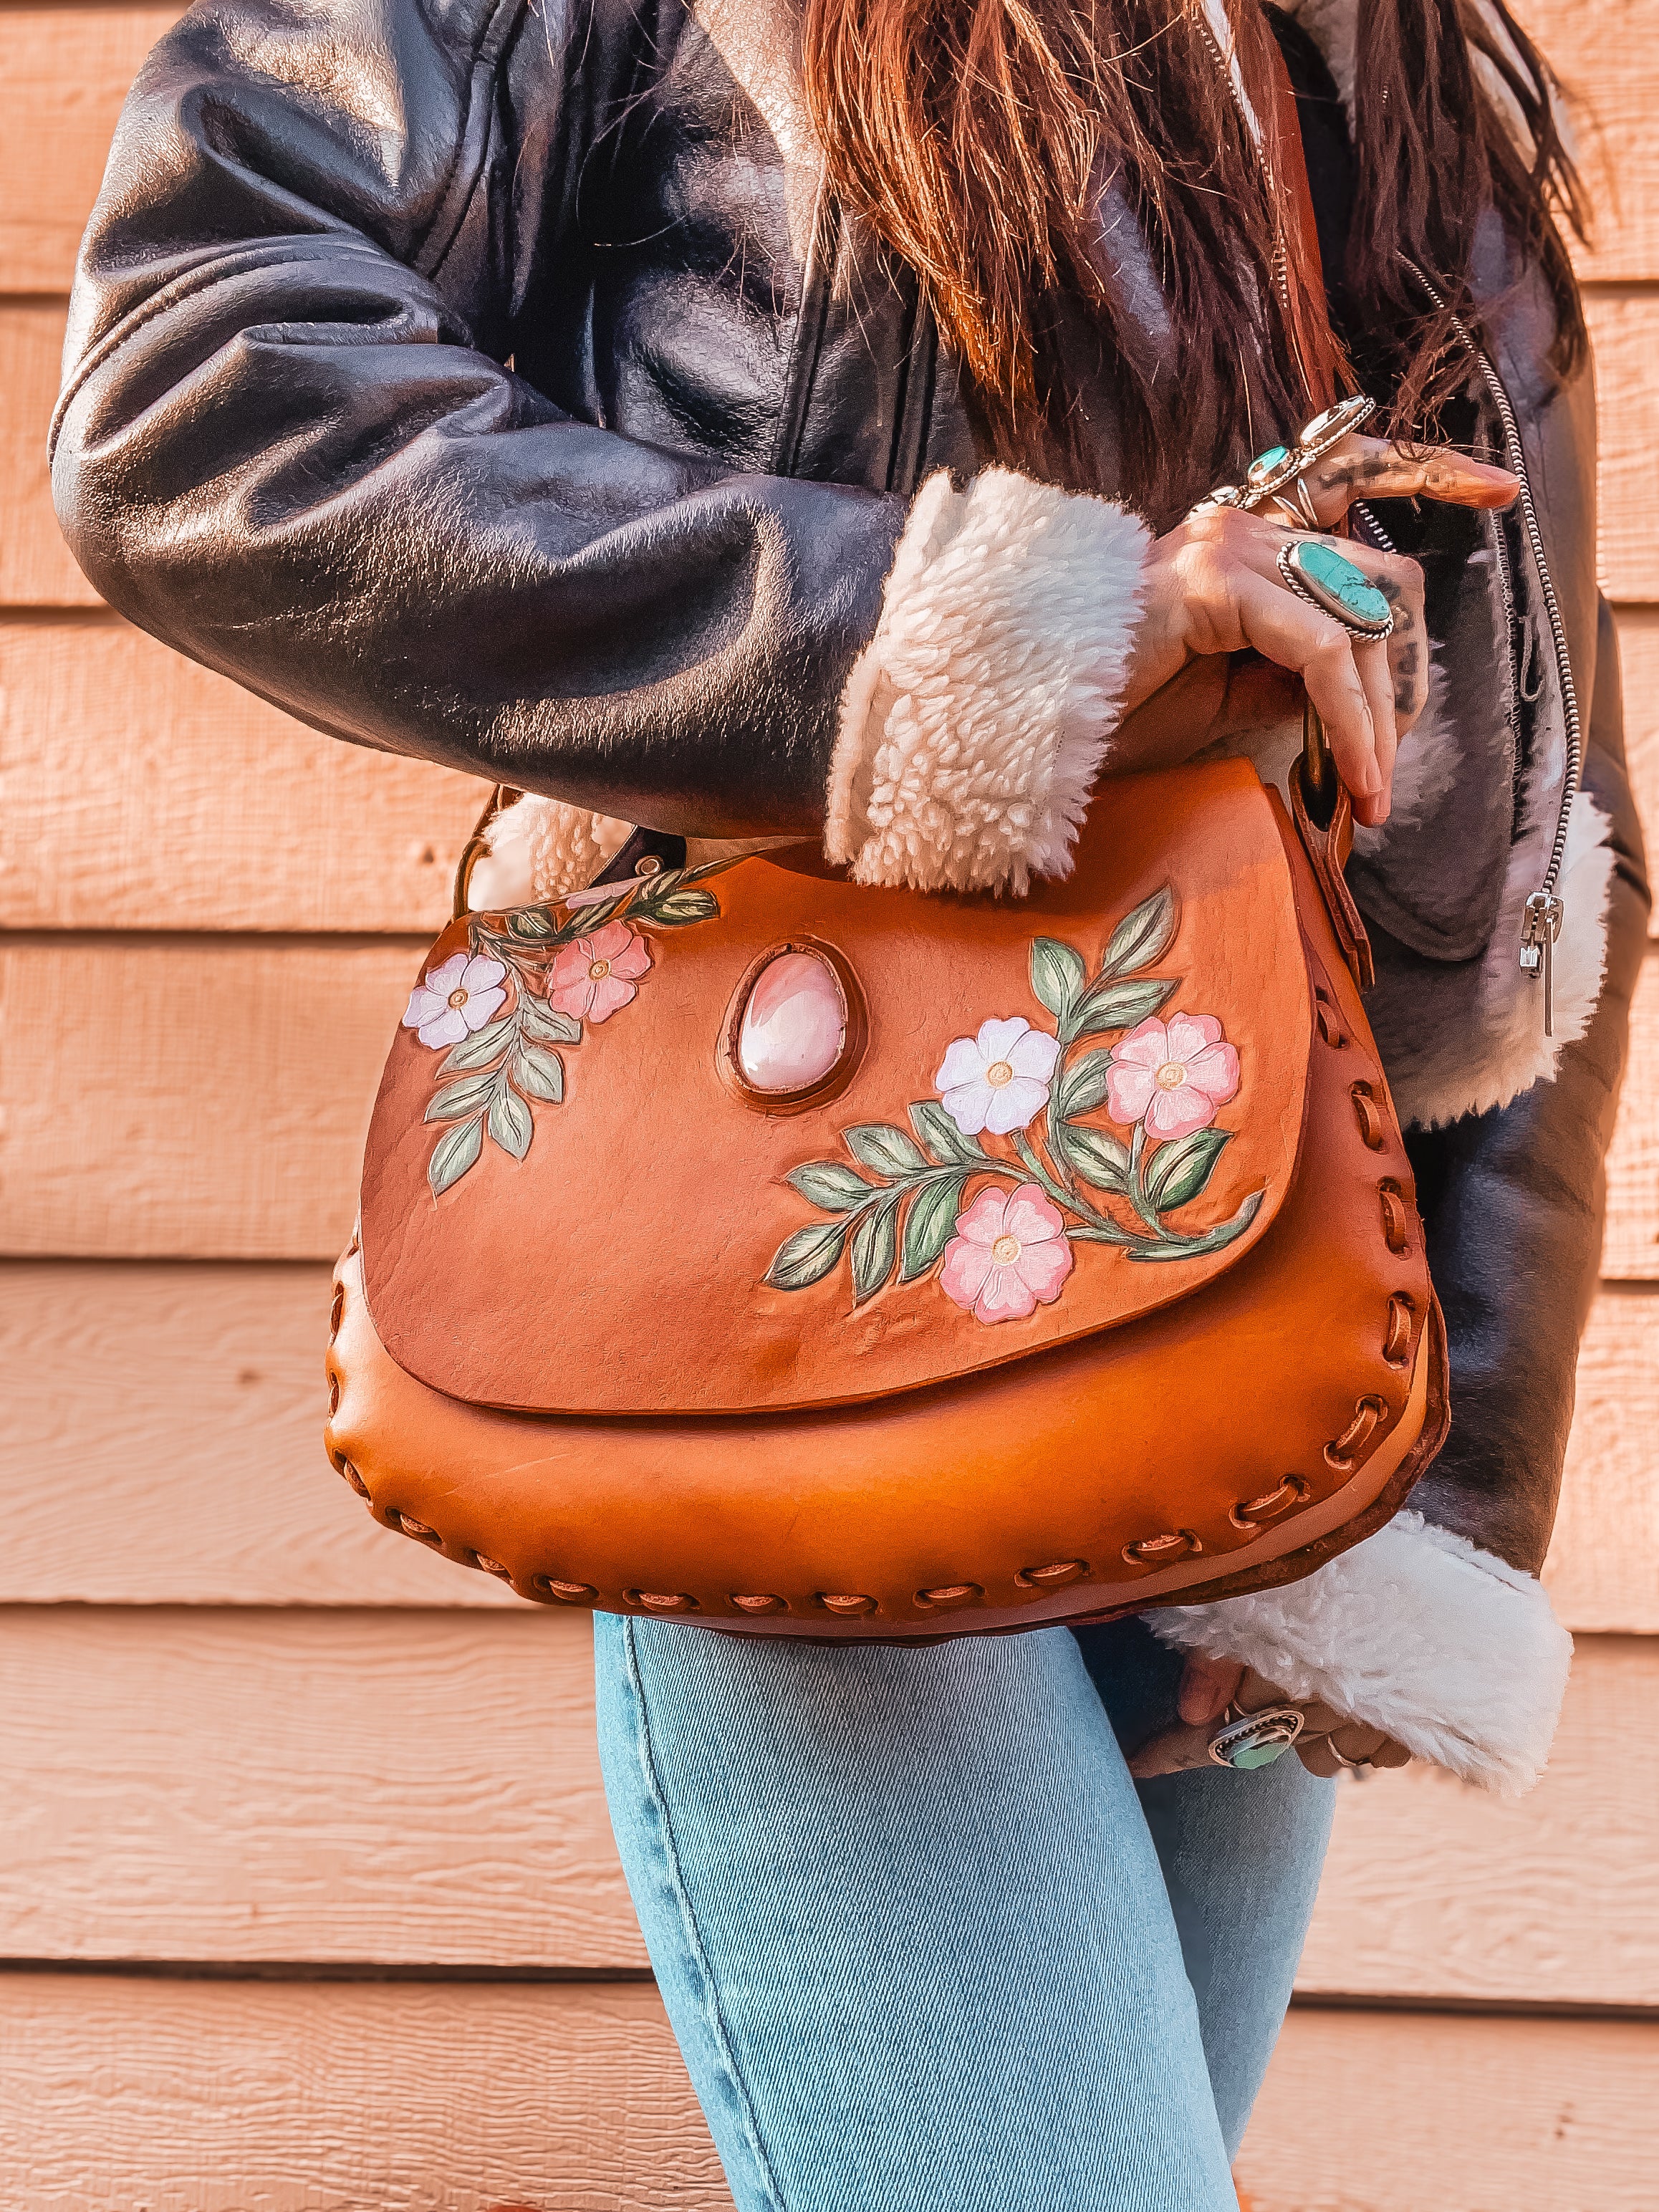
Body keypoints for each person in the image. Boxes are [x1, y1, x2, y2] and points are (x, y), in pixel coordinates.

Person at [52, 0, 1646, 2200]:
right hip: (811, 1276)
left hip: (1266, 1325)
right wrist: (990, 630)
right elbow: (204, 400)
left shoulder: (1386, 59)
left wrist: (1438, 1503)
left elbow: (1535, 833)